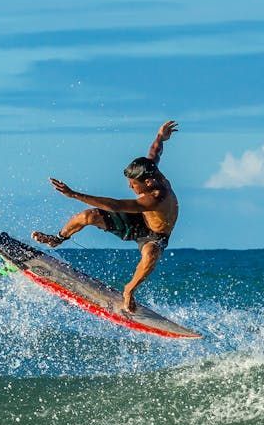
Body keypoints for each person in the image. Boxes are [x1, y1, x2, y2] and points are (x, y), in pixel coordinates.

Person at [32, 120, 180, 313]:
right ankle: (57, 238)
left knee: (151, 254)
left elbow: (116, 205)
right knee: (88, 216)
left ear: (149, 182)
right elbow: (155, 151)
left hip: (155, 235)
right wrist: (161, 136)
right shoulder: (151, 169)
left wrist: (74, 194)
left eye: (134, 184)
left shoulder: (154, 199)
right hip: (139, 219)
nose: (130, 187)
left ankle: (129, 290)